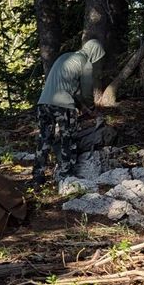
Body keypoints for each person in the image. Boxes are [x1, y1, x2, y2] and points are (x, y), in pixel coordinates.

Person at [34, 38, 106, 184]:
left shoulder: (65, 57)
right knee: (68, 139)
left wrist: (81, 107)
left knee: (44, 139)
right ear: (94, 53)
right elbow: (86, 92)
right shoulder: (85, 63)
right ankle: (66, 177)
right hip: (63, 106)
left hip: (43, 103)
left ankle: (38, 177)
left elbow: (69, 88)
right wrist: (91, 107)